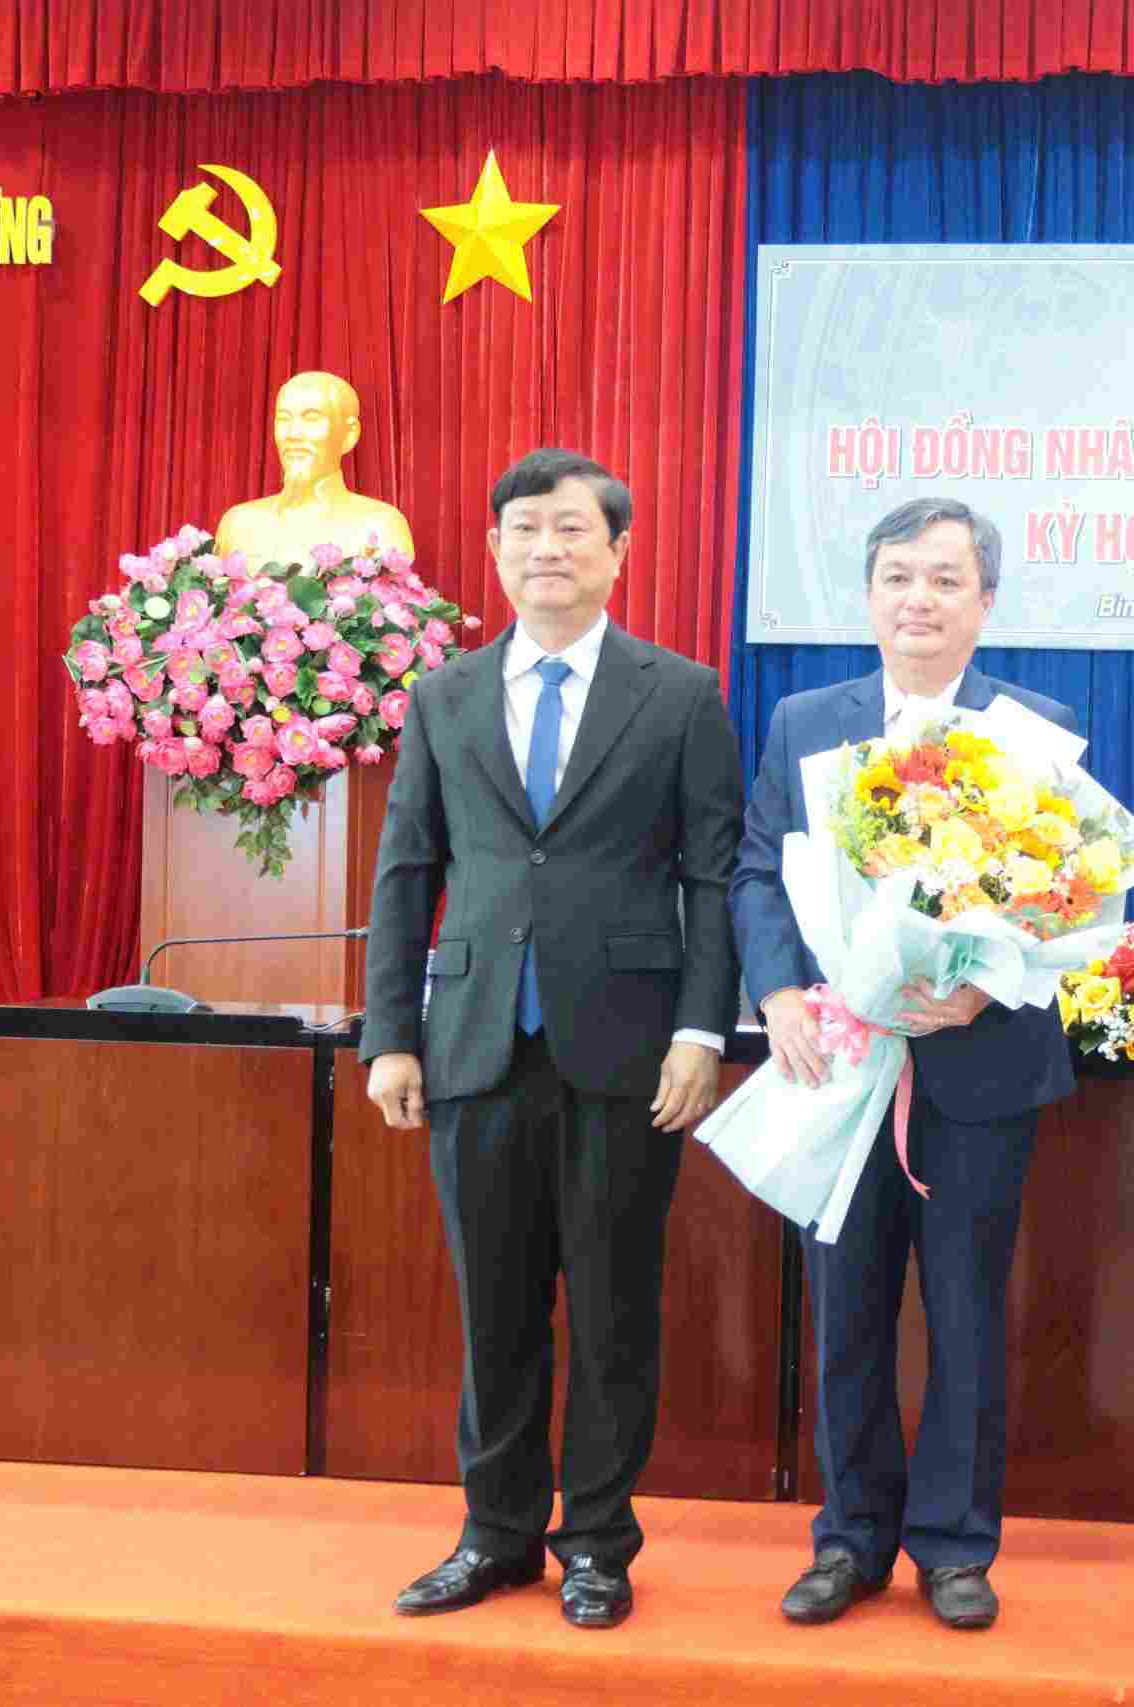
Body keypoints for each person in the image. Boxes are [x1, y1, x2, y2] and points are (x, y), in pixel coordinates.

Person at [362, 448, 742, 1630]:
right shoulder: (445, 696)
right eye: (525, 529)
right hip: (475, 1038)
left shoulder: (678, 693)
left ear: (619, 552)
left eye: (573, 530)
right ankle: (495, 1535)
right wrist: (391, 1034)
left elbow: (713, 876)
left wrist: (699, 1027)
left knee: (617, 1305)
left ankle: (599, 1544)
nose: (548, 549)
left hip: (630, 1046)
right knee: (495, 1306)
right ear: (493, 550)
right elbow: (407, 868)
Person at [731, 497, 1076, 1633]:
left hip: (978, 1065)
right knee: (847, 1311)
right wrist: (782, 992)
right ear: (867, 594)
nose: (917, 599)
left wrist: (989, 980)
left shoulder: (1035, 725)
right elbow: (752, 871)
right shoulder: (802, 721)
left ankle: (955, 1547)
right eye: (897, 577)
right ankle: (850, 1538)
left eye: (943, 579)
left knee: (968, 1312)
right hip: (840, 1059)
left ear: (987, 601)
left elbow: (1074, 896)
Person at [215, 370, 416, 563]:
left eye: (311, 418)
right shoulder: (238, 524)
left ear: (349, 434)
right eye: (283, 419)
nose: (293, 434)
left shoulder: (380, 526)